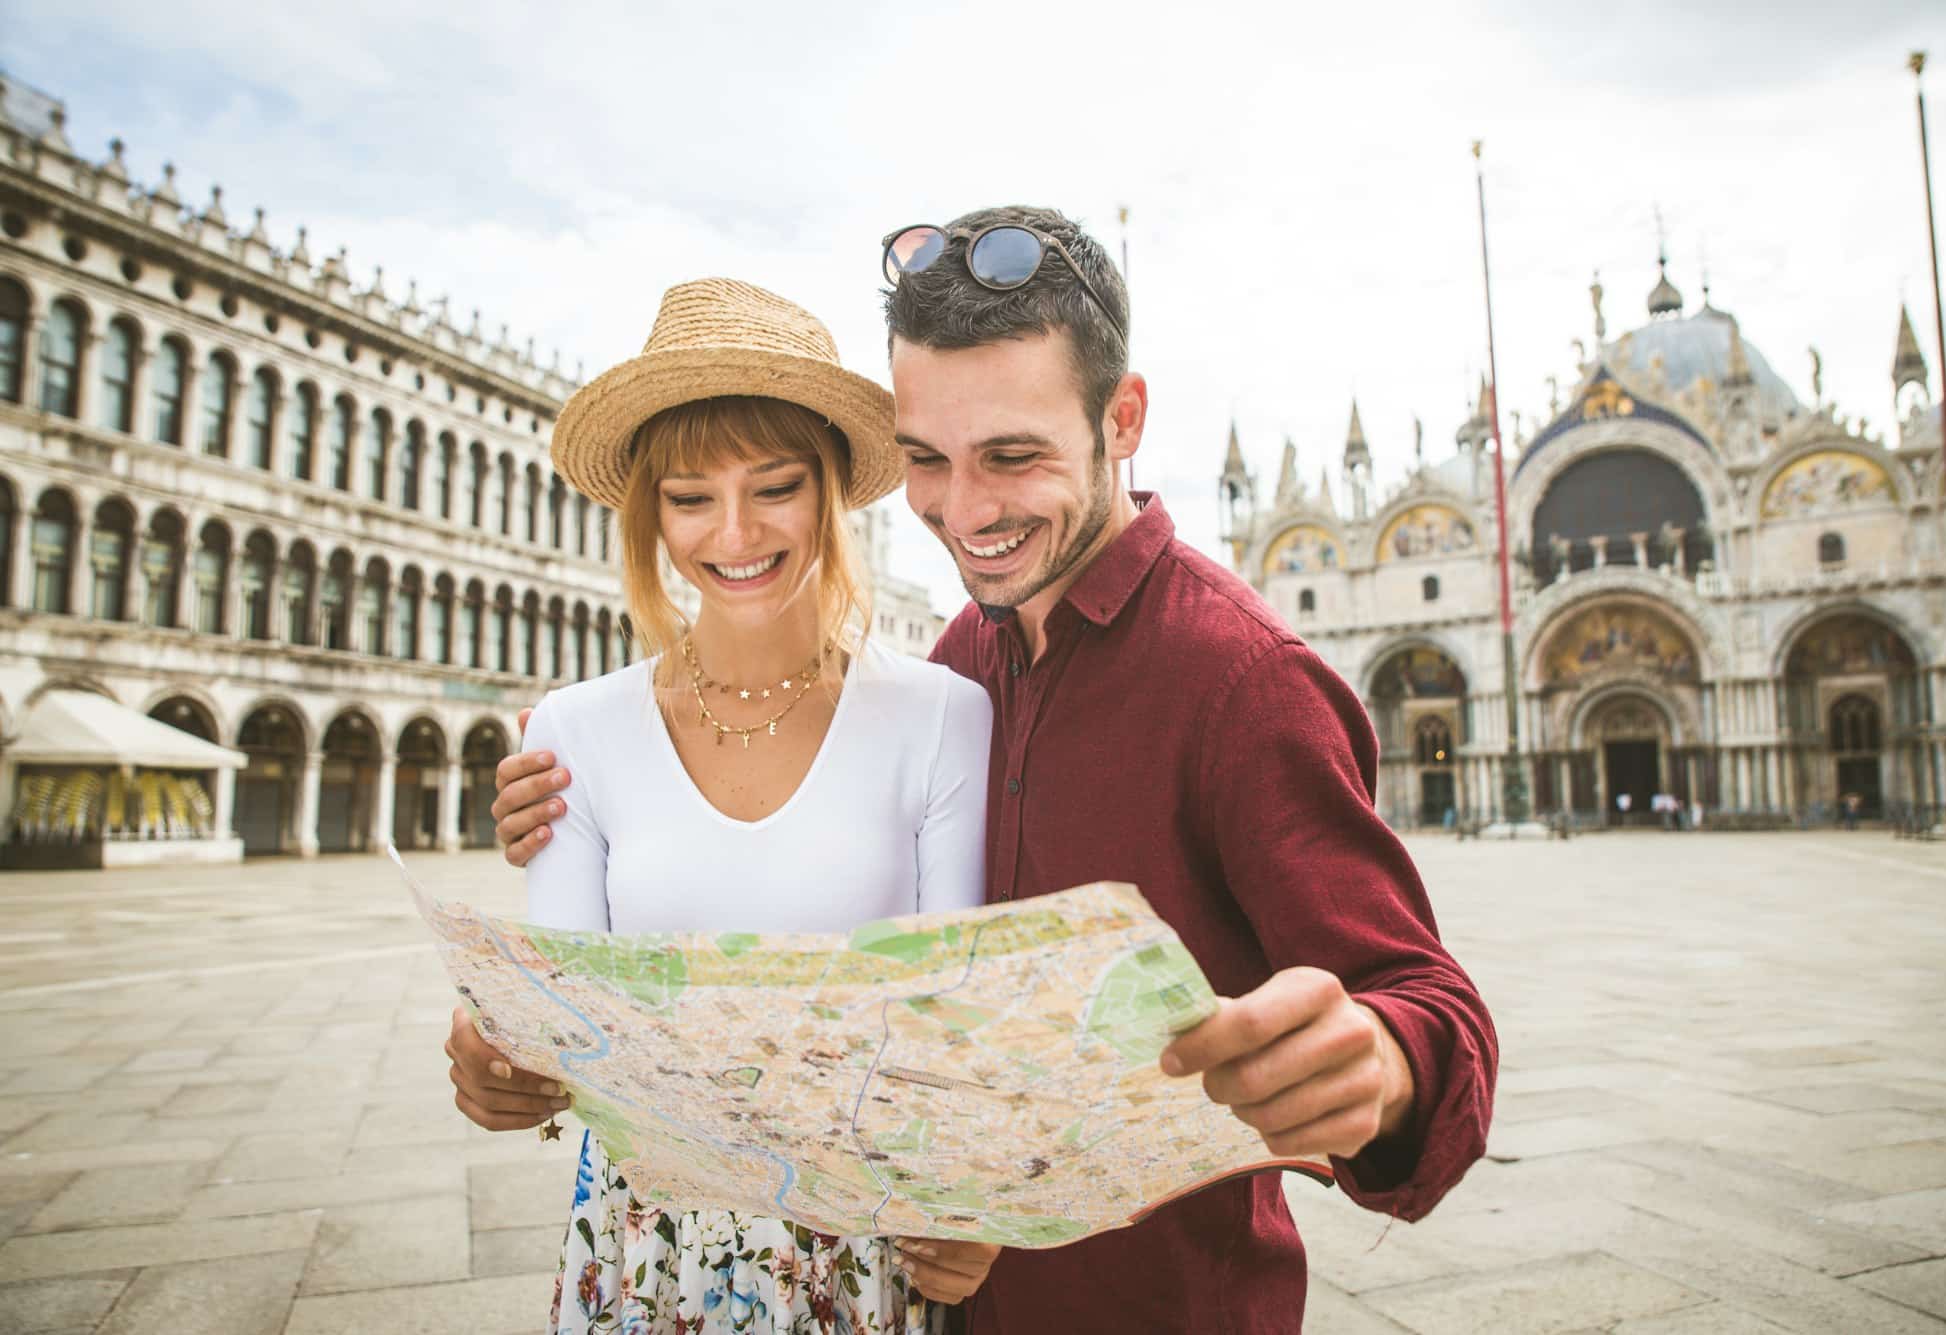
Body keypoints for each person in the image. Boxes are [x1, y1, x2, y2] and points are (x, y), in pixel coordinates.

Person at [489, 208, 1496, 1334]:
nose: (963, 514)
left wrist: (1384, 1065)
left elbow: (1430, 1006)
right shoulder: (967, 653)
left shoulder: (1240, 681)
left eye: (1012, 457)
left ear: (1121, 420)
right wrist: (586, 790)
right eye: (926, 461)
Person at [442, 278, 1002, 1333]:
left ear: (833, 490)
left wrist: (969, 1212)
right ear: (649, 512)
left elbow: (948, 1020)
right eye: (689, 496)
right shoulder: (573, 728)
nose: (731, 532)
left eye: (774, 486)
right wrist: (497, 1046)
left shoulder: (941, 714)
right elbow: (571, 1021)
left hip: (860, 1246)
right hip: (645, 1245)